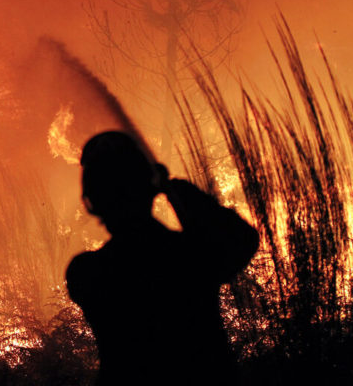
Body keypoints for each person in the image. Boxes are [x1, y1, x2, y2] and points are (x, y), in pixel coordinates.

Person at [66, 131, 259, 385]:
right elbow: (241, 238)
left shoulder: (88, 273)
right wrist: (174, 189)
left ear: (92, 203)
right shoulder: (191, 256)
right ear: (148, 187)